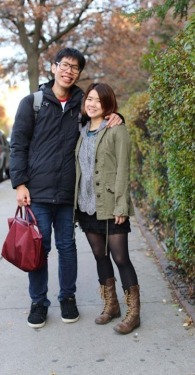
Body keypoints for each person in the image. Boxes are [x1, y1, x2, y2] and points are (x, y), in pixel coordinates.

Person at [9, 48, 122, 329]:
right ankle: (38, 302)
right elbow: (18, 145)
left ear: (79, 73)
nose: (69, 71)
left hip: (69, 192)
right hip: (37, 191)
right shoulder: (32, 102)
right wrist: (19, 183)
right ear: (54, 67)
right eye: (65, 65)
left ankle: (67, 298)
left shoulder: (81, 104)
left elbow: (100, 117)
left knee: (67, 246)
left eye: (75, 68)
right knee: (40, 246)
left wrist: (117, 117)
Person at [74, 83, 140, 334]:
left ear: (107, 105)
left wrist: (122, 205)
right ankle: (111, 305)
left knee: (120, 257)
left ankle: (134, 312)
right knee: (100, 255)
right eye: (89, 99)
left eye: (98, 101)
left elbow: (124, 169)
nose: (92, 104)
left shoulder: (116, 129)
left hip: (111, 205)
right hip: (87, 206)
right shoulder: (80, 131)